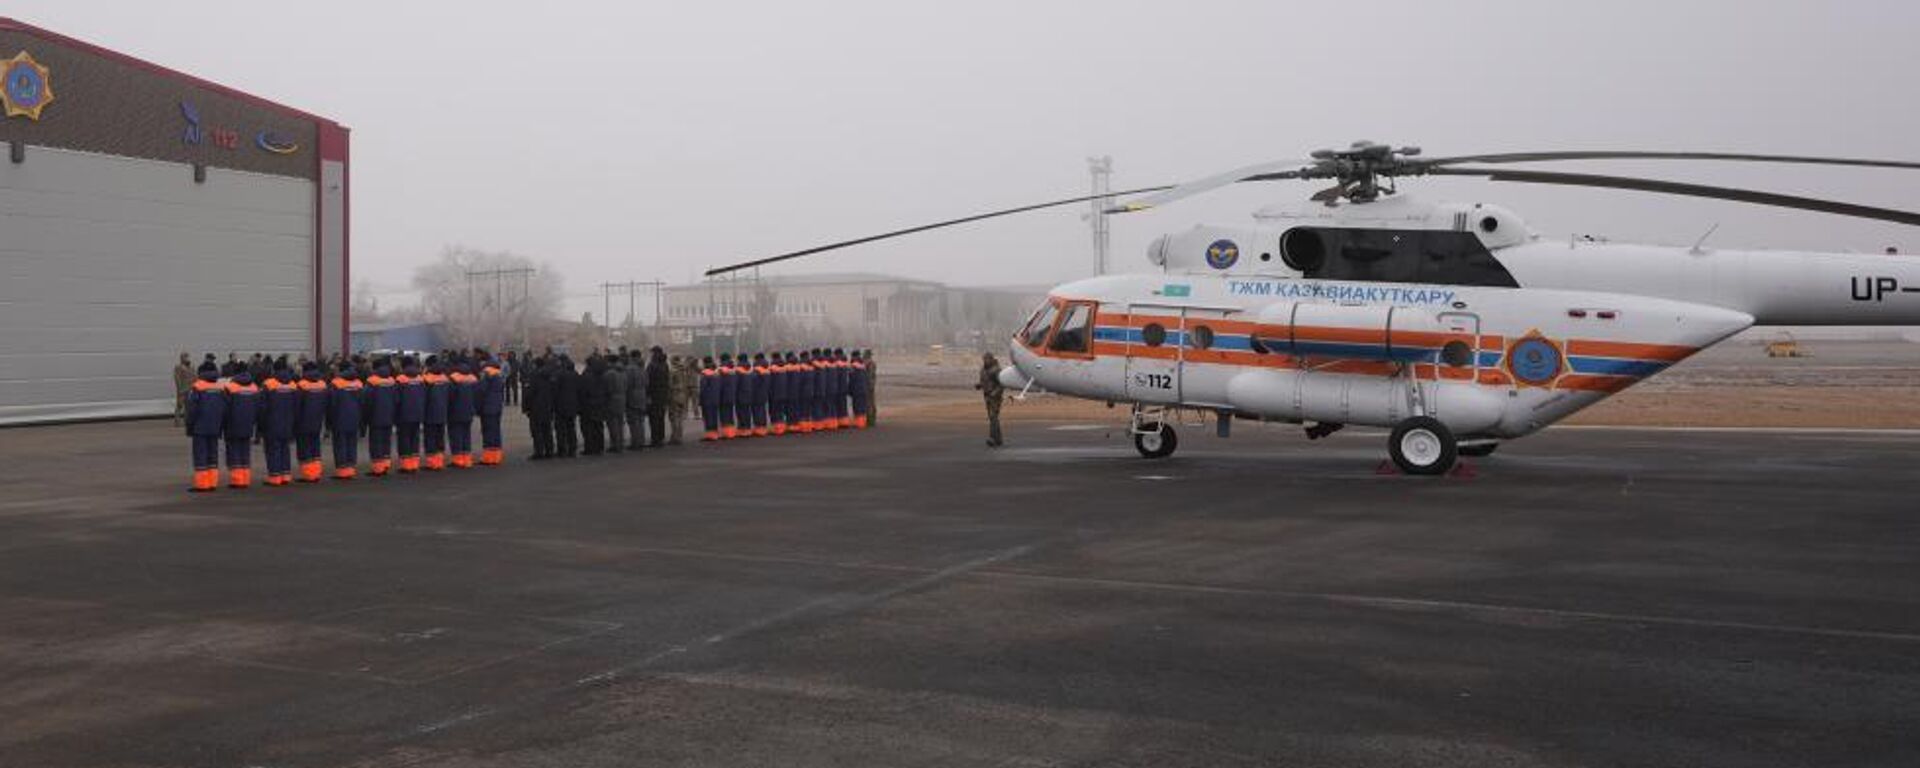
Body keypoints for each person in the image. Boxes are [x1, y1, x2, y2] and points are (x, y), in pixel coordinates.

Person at [185, 361, 227, 492]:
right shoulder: (220, 387)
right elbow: (225, 408)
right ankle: (212, 482)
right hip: (215, 426)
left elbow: (192, 410)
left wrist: (189, 426)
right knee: (212, 455)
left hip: (200, 427)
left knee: (200, 455)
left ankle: (202, 484)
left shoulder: (197, 387)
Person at [260, 362, 299, 486]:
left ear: (273, 370)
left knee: (273, 450)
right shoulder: (293, 385)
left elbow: (263, 408)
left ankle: (275, 477)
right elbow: (296, 406)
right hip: (288, 422)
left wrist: (261, 425)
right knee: (285, 449)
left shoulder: (268, 384)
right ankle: (286, 475)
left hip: (272, 423)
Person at [222, 366, 260, 488]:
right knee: (245, 452)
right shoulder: (254, 388)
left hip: (233, 425)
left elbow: (225, 409)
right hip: (249, 425)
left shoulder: (230, 387)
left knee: (234, 452)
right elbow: (258, 408)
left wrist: (223, 424)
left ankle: (237, 480)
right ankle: (245, 479)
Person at [327, 365, 366, 479]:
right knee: (352, 444)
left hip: (340, 418)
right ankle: (351, 469)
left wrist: (329, 422)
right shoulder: (358, 383)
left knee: (340, 445)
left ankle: (342, 471)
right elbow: (363, 403)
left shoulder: (336, 384)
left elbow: (332, 405)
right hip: (355, 418)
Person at [294, 362, 330, 483]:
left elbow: (297, 406)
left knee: (304, 448)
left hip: (303, 421)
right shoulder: (323, 384)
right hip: (318, 420)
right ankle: (316, 472)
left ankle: (308, 474)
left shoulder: (301, 385)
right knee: (315, 447)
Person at [364, 360, 398, 476]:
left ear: (374, 369)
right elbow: (397, 400)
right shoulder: (392, 381)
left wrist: (366, 417)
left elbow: (367, 402)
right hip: (389, 415)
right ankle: (386, 465)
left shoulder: (371, 382)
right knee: (386, 441)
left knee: (376, 442)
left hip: (375, 416)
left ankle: (378, 469)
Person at [395, 357, 426, 473]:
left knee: (404, 439)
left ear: (403, 365)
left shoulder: (400, 379)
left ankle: (406, 465)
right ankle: (414, 464)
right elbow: (424, 396)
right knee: (415, 438)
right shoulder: (420, 378)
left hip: (404, 414)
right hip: (418, 413)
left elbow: (397, 400)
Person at [446, 361, 479, 468]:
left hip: (455, 411)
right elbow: (478, 395)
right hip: (469, 411)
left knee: (456, 435)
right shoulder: (473, 378)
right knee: (466, 435)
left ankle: (458, 460)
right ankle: (467, 460)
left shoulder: (453, 379)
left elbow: (450, 397)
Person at [523, 355, 555, 460]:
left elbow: (529, 393)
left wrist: (526, 408)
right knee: (547, 430)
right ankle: (550, 451)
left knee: (536, 431)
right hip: (548, 406)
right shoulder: (551, 375)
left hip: (536, 407)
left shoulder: (534, 375)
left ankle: (539, 452)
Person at [478, 353, 508, 465]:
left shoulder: (486, 373)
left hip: (488, 406)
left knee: (488, 431)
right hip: (497, 406)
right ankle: (497, 456)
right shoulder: (498, 373)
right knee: (496, 431)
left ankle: (489, 458)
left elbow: (482, 390)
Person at [422, 358, 451, 470]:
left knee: (430, 437)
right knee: (440, 437)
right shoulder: (445, 378)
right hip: (442, 412)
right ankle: (439, 461)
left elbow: (423, 397)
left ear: (428, 366)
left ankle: (432, 463)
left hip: (430, 413)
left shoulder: (427, 379)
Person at [579, 354, 609, 455]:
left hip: (589, 405)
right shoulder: (601, 373)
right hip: (600, 403)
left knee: (588, 428)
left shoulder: (587, 375)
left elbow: (583, 391)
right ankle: (599, 447)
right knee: (598, 426)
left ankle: (590, 448)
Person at [553, 354, 581, 458]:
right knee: (571, 428)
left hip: (561, 406)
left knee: (561, 429)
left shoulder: (559, 374)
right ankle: (572, 450)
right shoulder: (575, 374)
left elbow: (555, 392)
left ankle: (562, 450)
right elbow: (579, 390)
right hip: (573, 405)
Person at [977, 352, 1004, 447]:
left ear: (991, 359)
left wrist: (995, 393)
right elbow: (983, 381)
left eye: (987, 359)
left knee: (993, 417)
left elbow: (1002, 384)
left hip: (995, 398)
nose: (985, 361)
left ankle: (992, 438)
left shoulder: (996, 370)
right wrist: (979, 385)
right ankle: (998, 439)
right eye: (984, 359)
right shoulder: (983, 370)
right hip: (987, 396)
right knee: (992, 418)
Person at [626, 350, 650, 450]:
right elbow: (647, 383)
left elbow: (628, 384)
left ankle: (635, 443)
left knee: (633, 421)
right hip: (642, 395)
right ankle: (641, 441)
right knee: (641, 421)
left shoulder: (630, 369)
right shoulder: (643, 368)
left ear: (632, 357)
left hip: (633, 396)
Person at [604, 353, 628, 453]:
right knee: (620, 423)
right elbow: (627, 386)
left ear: (609, 362)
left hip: (612, 400)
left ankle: (616, 445)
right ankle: (621, 444)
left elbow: (607, 389)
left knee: (613, 424)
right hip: (622, 398)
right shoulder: (623, 372)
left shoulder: (609, 374)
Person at [662, 350, 686, 445]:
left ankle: (675, 437)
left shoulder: (673, 371)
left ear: (672, 361)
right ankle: (680, 436)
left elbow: (670, 385)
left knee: (674, 417)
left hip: (674, 396)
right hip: (683, 395)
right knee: (680, 418)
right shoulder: (684, 370)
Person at [717, 352, 740, 439]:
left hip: (723, 395)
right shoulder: (734, 369)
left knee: (724, 414)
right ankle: (731, 432)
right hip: (732, 394)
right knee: (730, 414)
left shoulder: (721, 370)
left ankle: (726, 433)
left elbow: (719, 384)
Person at [698, 356, 720, 441]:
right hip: (716, 398)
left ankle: (710, 434)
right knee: (714, 416)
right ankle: (715, 434)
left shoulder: (705, 374)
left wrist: (700, 400)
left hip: (707, 399)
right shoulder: (716, 372)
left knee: (708, 417)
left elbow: (703, 388)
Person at [849, 350, 870, 429]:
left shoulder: (853, 366)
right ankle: (863, 422)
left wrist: (850, 390)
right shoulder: (863, 365)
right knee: (863, 406)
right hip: (864, 389)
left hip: (856, 389)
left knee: (857, 407)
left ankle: (859, 423)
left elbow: (852, 380)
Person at [173, 353, 195, 426]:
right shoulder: (178, 367)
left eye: (187, 357)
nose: (186, 358)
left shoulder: (191, 366)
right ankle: (177, 421)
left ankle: (187, 421)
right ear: (181, 358)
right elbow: (177, 378)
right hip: (182, 389)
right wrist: (179, 389)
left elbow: (194, 377)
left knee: (188, 406)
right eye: (184, 357)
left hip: (190, 388)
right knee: (179, 405)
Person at [863, 349, 878, 427]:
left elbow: (869, 376)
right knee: (871, 402)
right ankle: (872, 419)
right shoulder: (871, 363)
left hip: (868, 385)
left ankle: (870, 420)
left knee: (869, 403)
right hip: (871, 385)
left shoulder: (868, 364)